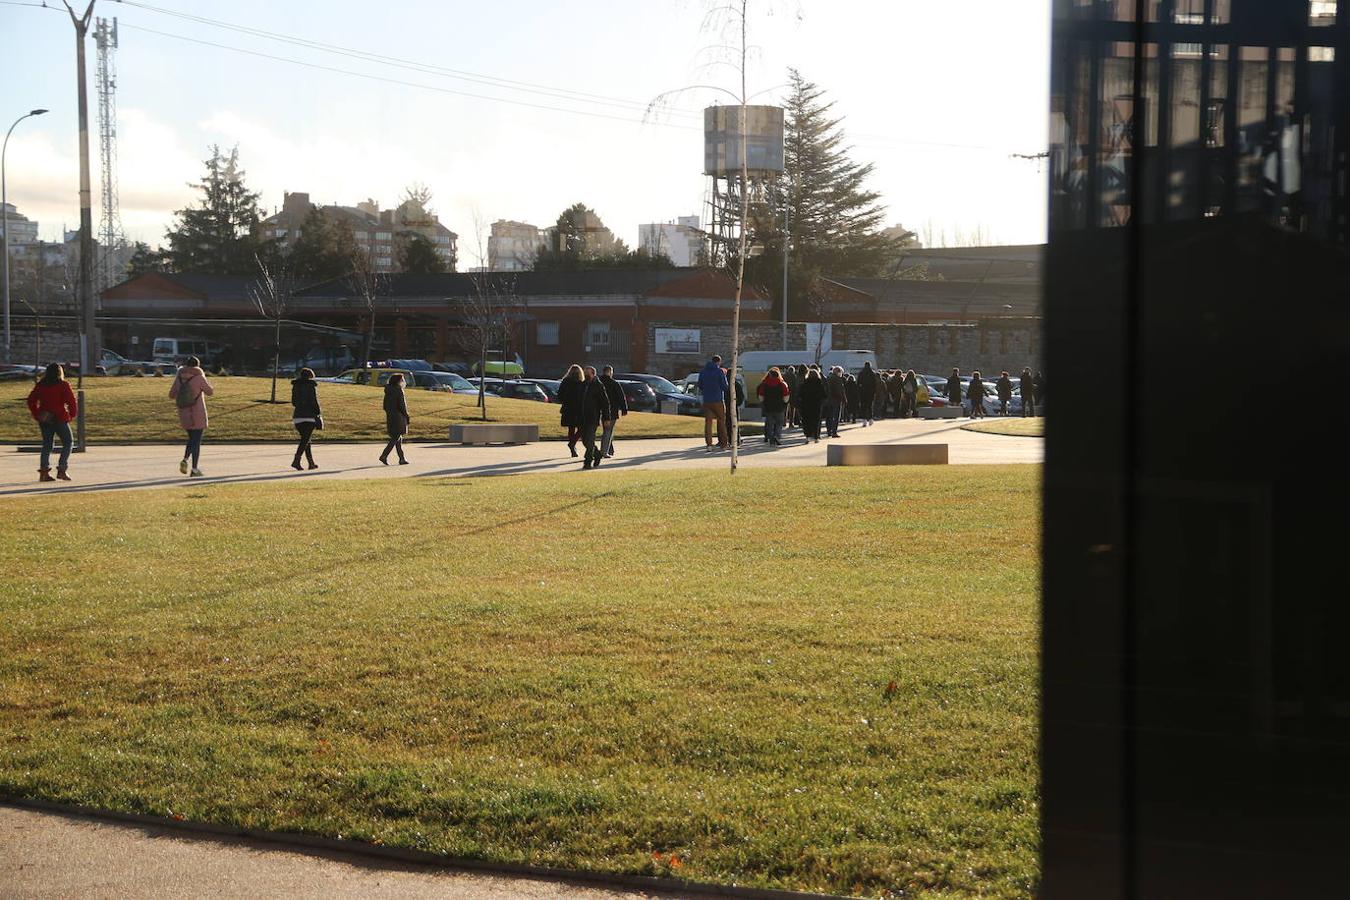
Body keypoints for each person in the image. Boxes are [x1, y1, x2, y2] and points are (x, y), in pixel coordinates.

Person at [26, 362, 78, 482]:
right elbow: (71, 401)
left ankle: (44, 472)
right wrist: (72, 414)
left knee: (47, 445)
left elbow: (31, 400)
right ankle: (62, 469)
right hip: (60, 417)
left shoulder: (41, 385)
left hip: (44, 418)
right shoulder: (63, 385)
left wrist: (37, 413)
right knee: (68, 442)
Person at [169, 356, 214, 477]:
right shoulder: (199, 376)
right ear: (197, 365)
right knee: (196, 440)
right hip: (197, 412)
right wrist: (208, 382)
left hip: (184, 412)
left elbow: (171, 394)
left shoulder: (179, 376)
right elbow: (210, 392)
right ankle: (194, 469)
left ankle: (185, 459)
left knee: (191, 439)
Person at [579, 365, 612, 469]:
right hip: (582, 417)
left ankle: (587, 461)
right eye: (585, 373)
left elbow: (605, 403)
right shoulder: (582, 385)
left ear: (593, 374)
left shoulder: (598, 386)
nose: (585, 375)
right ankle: (597, 454)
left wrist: (606, 418)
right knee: (585, 440)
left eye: (587, 373)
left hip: (593, 417)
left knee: (589, 438)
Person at [290, 367, 322, 470]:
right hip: (309, 417)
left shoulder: (295, 386)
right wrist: (318, 413)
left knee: (306, 440)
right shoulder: (311, 386)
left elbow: (294, 402)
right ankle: (296, 460)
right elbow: (314, 401)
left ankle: (311, 463)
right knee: (305, 440)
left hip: (298, 416)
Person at [698, 354, 730, 451]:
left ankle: (709, 445)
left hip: (707, 400)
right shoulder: (719, 371)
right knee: (721, 421)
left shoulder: (703, 372)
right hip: (718, 399)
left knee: (708, 423)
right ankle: (723, 444)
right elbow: (725, 386)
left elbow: (700, 385)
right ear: (718, 362)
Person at [380, 372, 410, 465]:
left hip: (390, 415)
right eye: (402, 380)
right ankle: (384, 455)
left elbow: (384, 406)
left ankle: (401, 458)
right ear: (398, 381)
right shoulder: (399, 390)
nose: (403, 382)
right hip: (398, 417)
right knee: (396, 437)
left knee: (398, 438)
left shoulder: (388, 391)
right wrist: (407, 415)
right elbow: (402, 406)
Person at [599, 365, 628, 458]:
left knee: (606, 430)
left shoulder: (598, 382)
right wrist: (624, 409)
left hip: (599, 410)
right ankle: (604, 451)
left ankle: (608, 448)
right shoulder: (614, 383)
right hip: (612, 410)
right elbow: (621, 397)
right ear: (610, 372)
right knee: (608, 431)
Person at [756, 366, 789, 445]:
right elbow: (786, 397)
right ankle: (777, 436)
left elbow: (761, 397)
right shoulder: (782, 384)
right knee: (779, 423)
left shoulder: (764, 384)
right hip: (779, 407)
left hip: (768, 407)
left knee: (769, 423)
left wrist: (764, 402)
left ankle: (770, 438)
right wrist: (784, 403)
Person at [557, 364, 585, 457]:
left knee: (571, 428)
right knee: (581, 428)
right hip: (578, 409)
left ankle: (572, 445)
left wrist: (565, 401)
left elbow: (560, 395)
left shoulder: (565, 382)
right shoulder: (581, 383)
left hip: (568, 408)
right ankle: (572, 444)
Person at [797, 365, 826, 442]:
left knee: (806, 421)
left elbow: (800, 394)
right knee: (816, 421)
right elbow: (824, 395)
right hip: (816, 405)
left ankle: (808, 435)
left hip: (806, 405)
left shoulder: (805, 383)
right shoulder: (819, 384)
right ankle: (816, 437)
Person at [723, 367, 745, 447]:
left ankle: (729, 440)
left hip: (726, 405)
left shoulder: (725, 384)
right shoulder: (736, 384)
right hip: (734, 406)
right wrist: (737, 404)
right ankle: (736, 440)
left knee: (728, 424)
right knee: (735, 424)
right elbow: (741, 396)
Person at [825, 366, 846, 437]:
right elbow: (840, 390)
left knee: (829, 416)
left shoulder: (828, 378)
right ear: (838, 372)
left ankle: (829, 431)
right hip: (836, 400)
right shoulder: (838, 379)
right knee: (836, 416)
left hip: (828, 400)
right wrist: (843, 398)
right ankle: (834, 432)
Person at [857, 362, 878, 426]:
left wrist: (859, 390)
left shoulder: (861, 373)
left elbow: (858, 383)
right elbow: (875, 384)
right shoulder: (873, 374)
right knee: (869, 406)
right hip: (870, 392)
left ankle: (864, 420)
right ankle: (871, 419)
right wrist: (874, 391)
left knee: (863, 406)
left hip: (863, 392)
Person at [784, 364, 800, 429]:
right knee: (792, 409)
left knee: (785, 409)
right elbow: (796, 385)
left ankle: (784, 422)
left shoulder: (784, 376)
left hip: (785, 394)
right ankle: (791, 423)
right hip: (792, 394)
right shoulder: (794, 376)